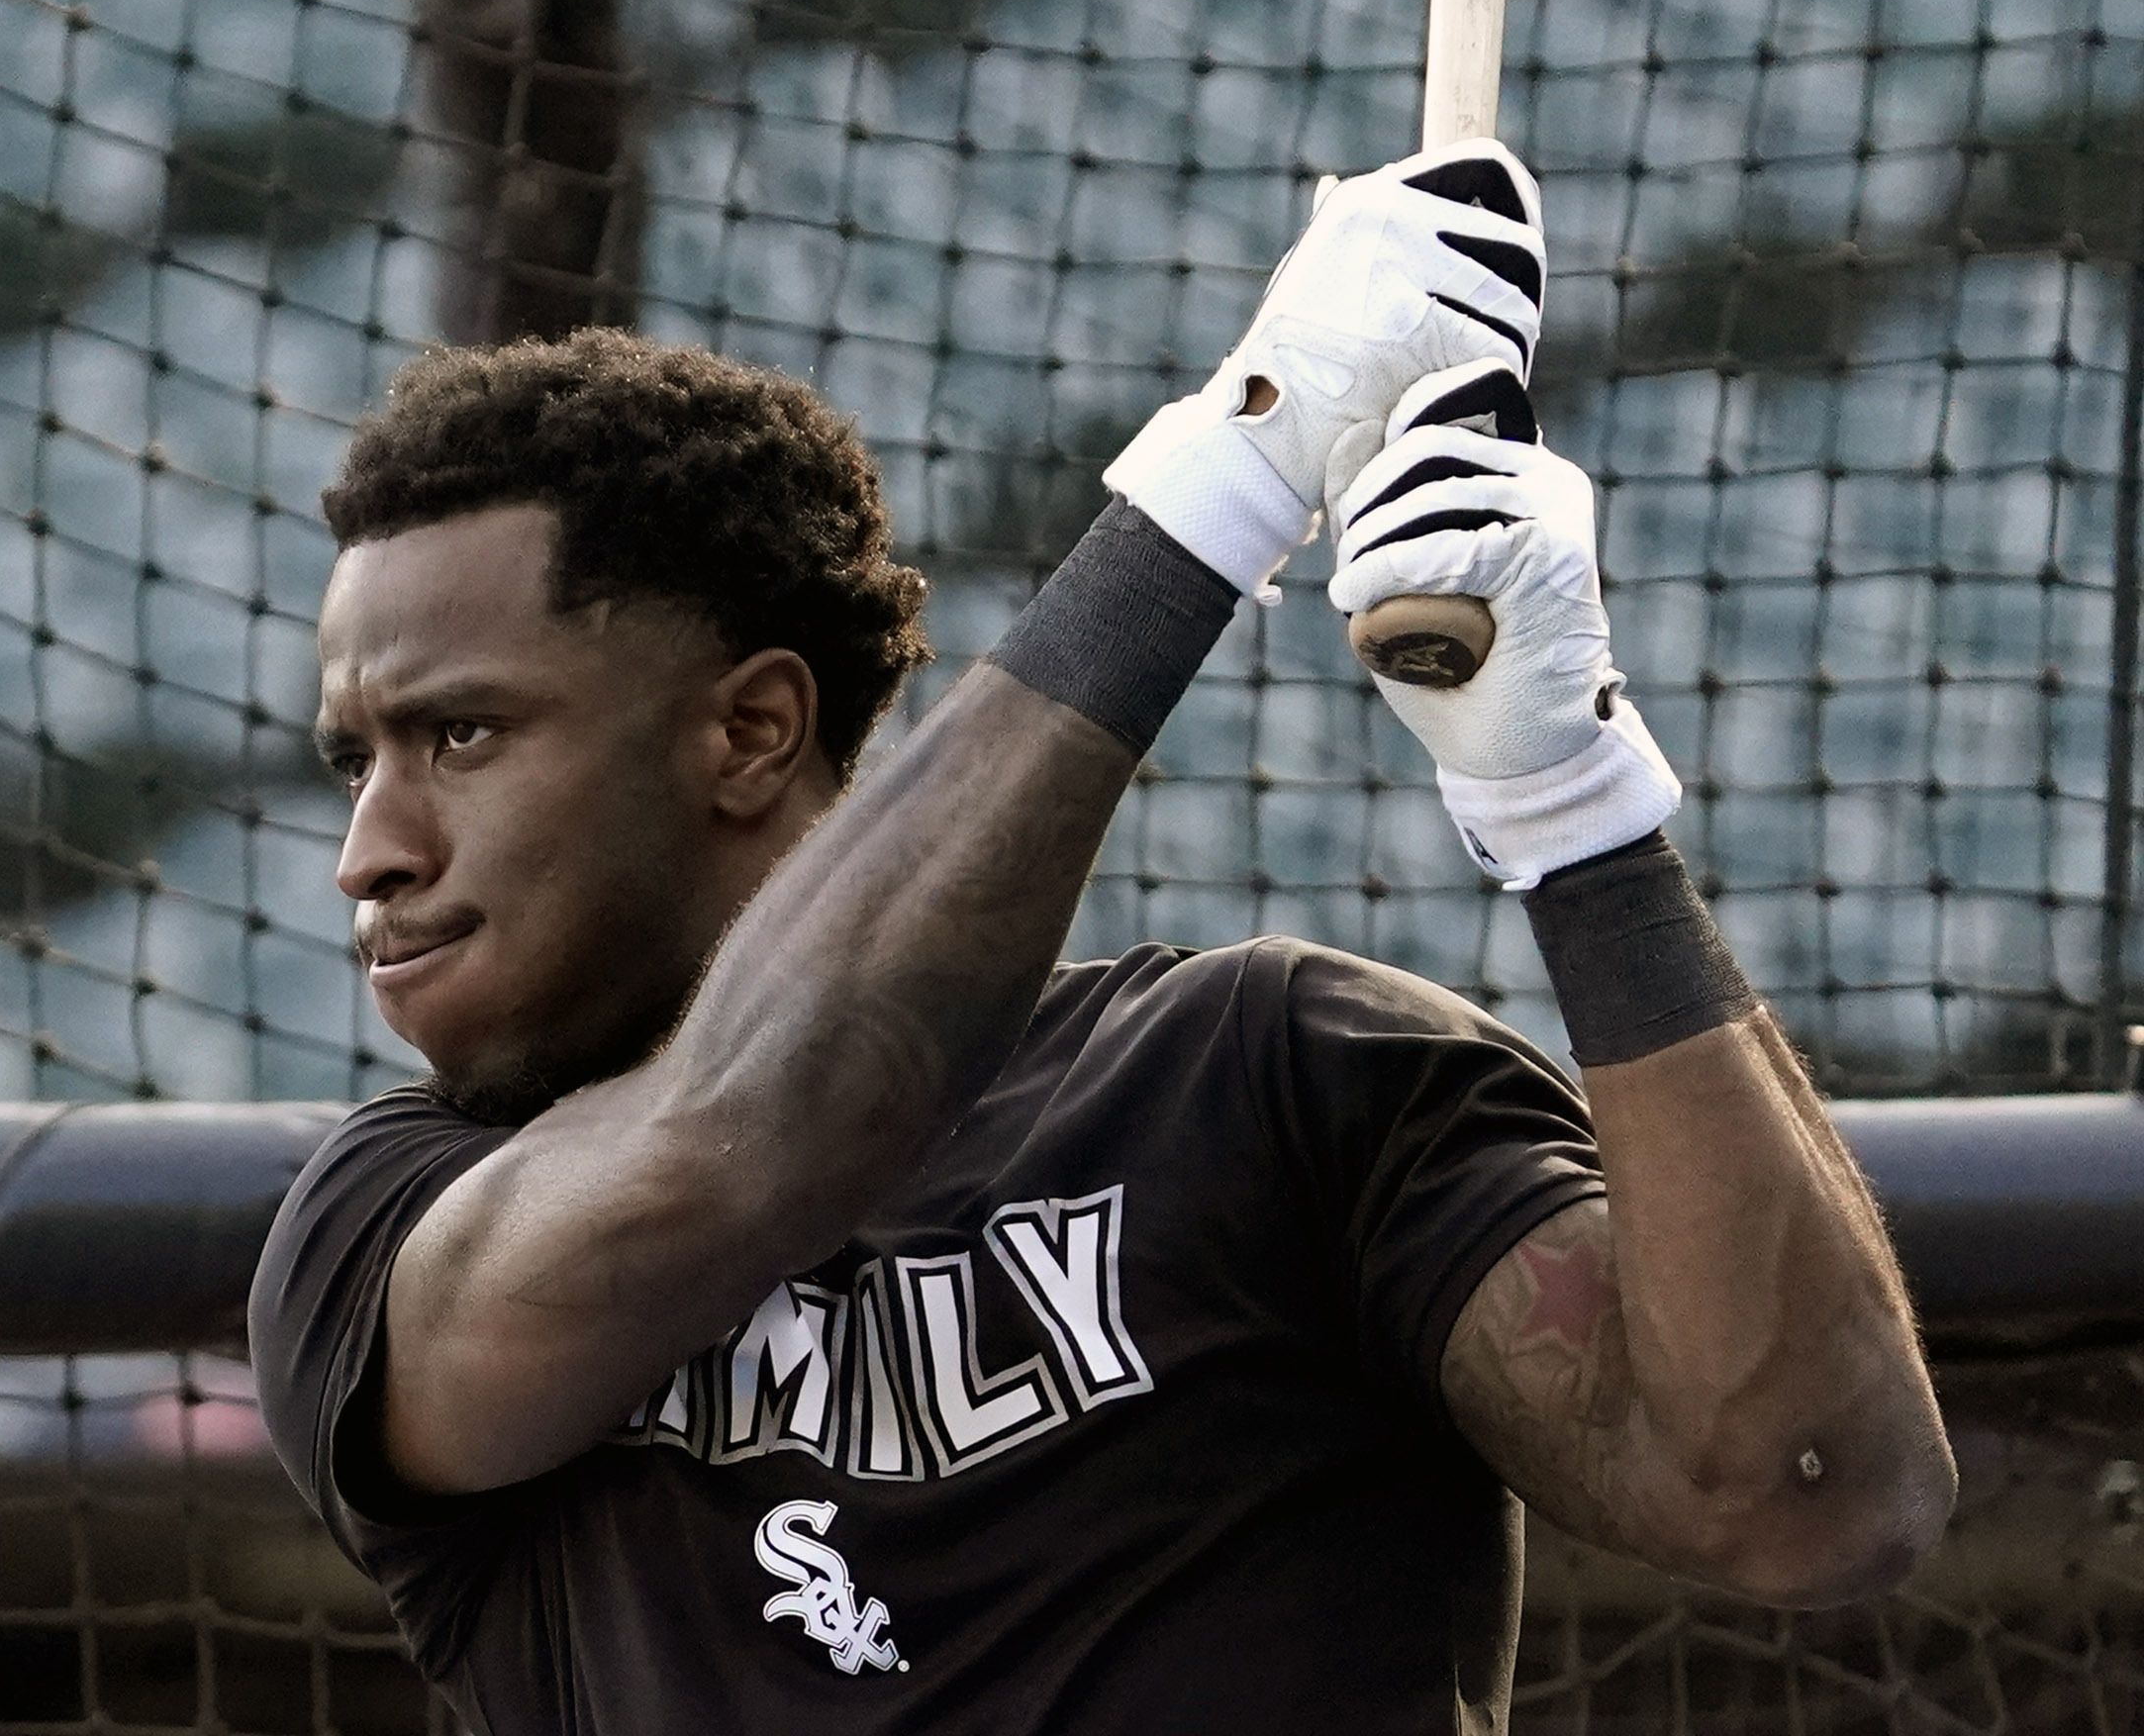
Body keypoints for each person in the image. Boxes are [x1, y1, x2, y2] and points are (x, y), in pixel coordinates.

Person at [247, 141, 1954, 1733]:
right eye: (356, 760)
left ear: (751, 733)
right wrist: (1244, 456)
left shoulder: (1273, 1077)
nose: (368, 853)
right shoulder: (381, 1227)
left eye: (458, 735)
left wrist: (1572, 803)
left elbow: (1812, 1493)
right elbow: (760, 1126)